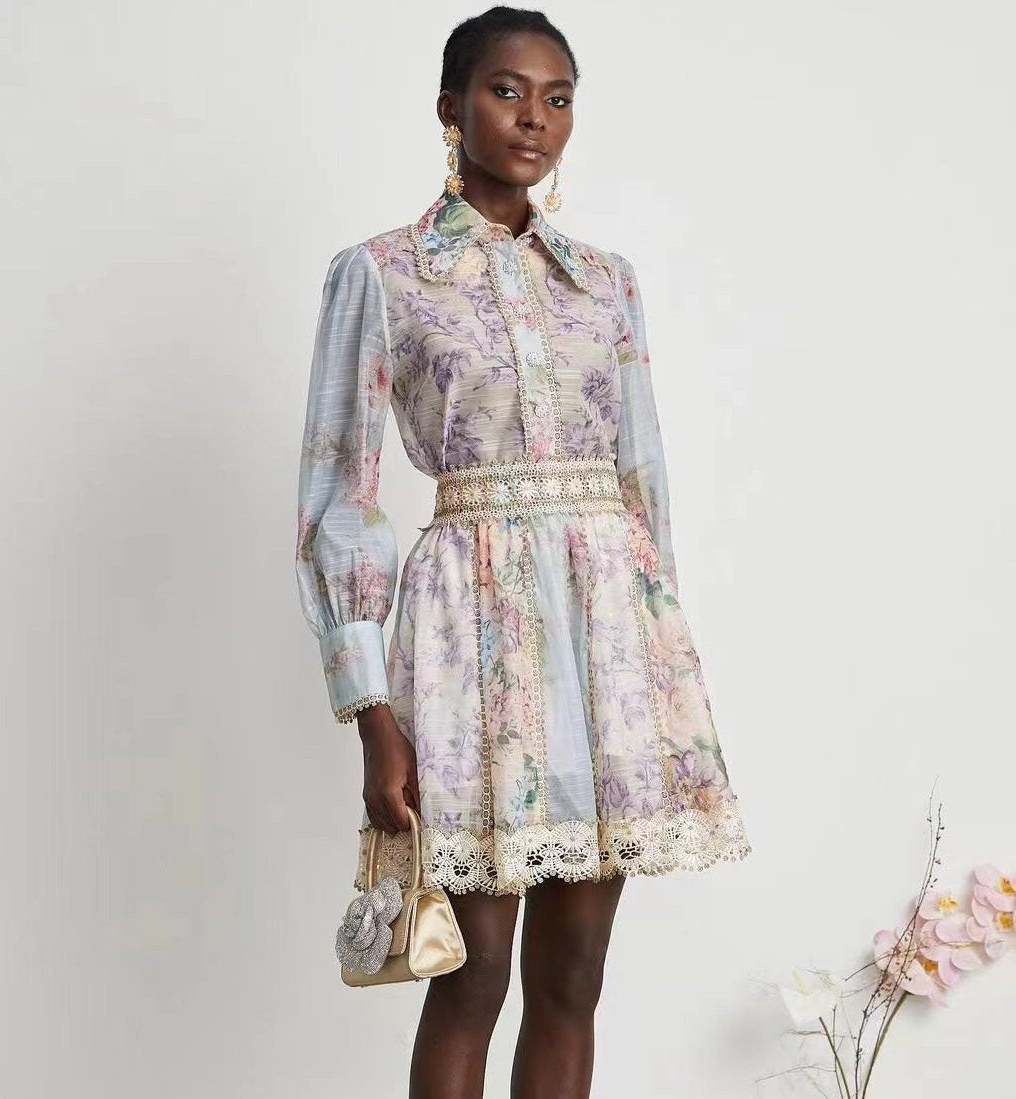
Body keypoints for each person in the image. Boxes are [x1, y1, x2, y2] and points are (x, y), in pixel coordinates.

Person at [295, 6, 753, 1097]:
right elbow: (338, 494)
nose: (533, 118)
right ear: (450, 109)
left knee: (573, 977)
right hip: (470, 633)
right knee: (471, 973)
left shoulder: (605, 280)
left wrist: (660, 661)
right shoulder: (382, 273)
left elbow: (641, 477)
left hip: (608, 644)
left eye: (557, 98)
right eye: (506, 91)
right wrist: (371, 712)